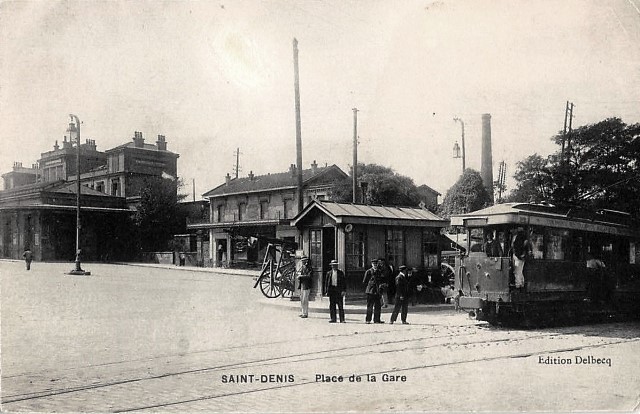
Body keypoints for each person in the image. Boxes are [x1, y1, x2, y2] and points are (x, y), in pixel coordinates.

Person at [362, 258, 384, 324]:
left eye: (376, 264)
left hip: (377, 291)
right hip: (370, 291)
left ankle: (377, 320)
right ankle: (368, 320)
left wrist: (381, 289)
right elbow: (364, 281)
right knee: (370, 306)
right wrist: (369, 286)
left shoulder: (379, 271)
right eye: (374, 264)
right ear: (372, 264)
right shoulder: (368, 271)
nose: (375, 265)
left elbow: (382, 281)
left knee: (378, 306)